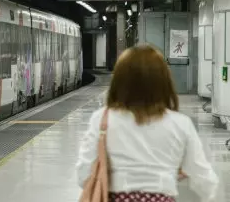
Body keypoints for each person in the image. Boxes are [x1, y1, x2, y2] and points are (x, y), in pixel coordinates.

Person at [76, 44, 219, 201]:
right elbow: (204, 178)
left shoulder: (102, 119)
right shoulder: (180, 123)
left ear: (119, 81)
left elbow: (83, 174)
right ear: (164, 81)